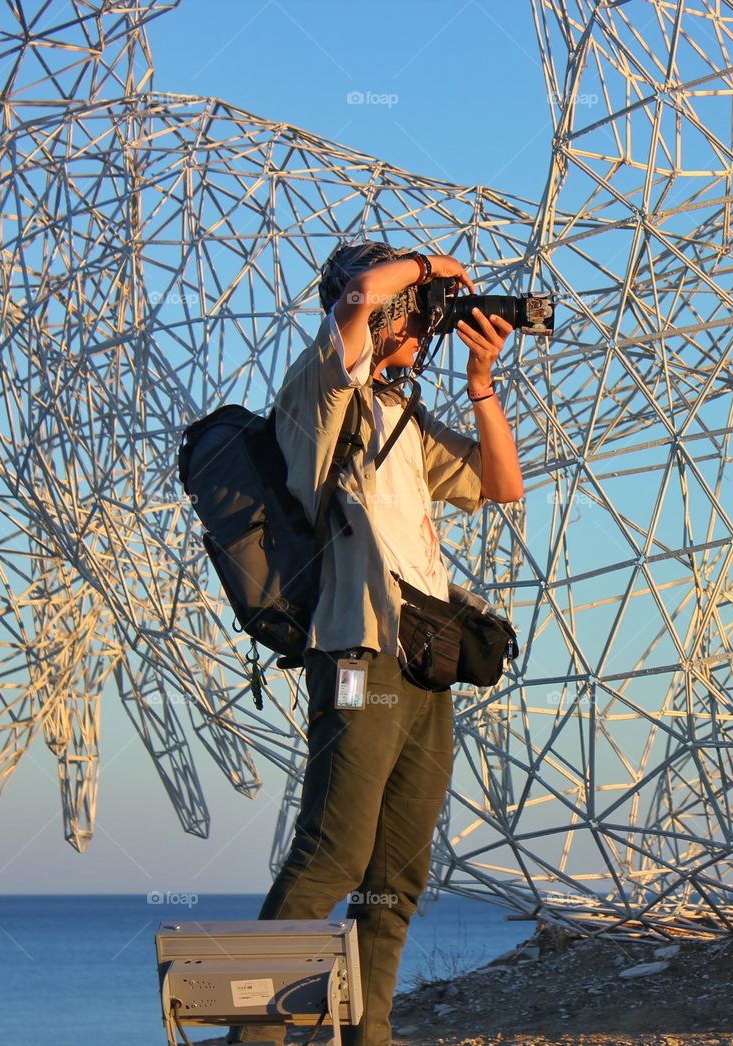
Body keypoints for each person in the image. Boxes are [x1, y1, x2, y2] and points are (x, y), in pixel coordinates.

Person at [226, 240, 524, 1046]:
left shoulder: (403, 417)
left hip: (424, 664)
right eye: (417, 320)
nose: (425, 329)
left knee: (395, 877)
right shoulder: (323, 389)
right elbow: (356, 293)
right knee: (331, 854)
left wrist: (481, 385)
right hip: (355, 659)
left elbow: (502, 483)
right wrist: (430, 268)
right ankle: (252, 1034)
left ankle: (369, 1034)